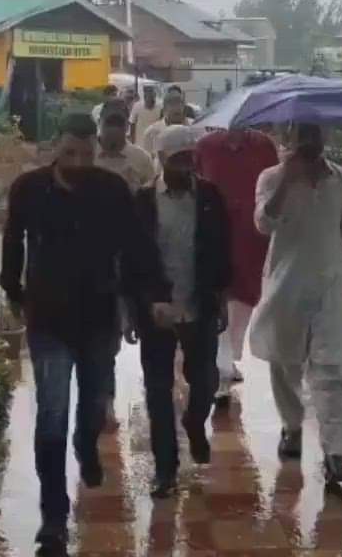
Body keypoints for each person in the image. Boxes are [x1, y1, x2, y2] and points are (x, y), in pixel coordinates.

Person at [0, 113, 173, 554]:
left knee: (95, 403)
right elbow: (13, 242)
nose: (77, 162)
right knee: (52, 412)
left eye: (86, 154)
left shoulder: (111, 190)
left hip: (98, 317)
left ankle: (87, 444)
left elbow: (136, 246)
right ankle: (54, 517)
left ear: (96, 151)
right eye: (69, 152)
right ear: (55, 147)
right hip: (49, 320)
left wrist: (153, 295)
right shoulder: (29, 190)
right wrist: (12, 288)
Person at [250, 122, 342, 486]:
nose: (309, 142)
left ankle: (337, 453)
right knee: (284, 361)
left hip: (331, 283)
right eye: (302, 135)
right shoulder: (271, 177)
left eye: (316, 134)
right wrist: (288, 180)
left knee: (333, 367)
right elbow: (263, 225)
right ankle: (292, 425)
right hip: (286, 283)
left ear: (325, 137)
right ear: (289, 138)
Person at [132, 124, 232, 498]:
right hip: (157, 309)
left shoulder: (209, 196)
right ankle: (165, 469)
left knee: (204, 379)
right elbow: (133, 259)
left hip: (200, 304)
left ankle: (194, 422)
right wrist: (139, 305)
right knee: (158, 389)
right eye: (178, 160)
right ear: (160, 159)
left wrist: (222, 298)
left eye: (191, 159)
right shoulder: (142, 201)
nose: (187, 166)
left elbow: (222, 250)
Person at [194, 123, 281, 404]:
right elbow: (195, 185)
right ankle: (220, 366)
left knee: (244, 296)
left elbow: (274, 186)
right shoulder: (206, 146)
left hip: (250, 235)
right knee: (218, 294)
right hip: (213, 232)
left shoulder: (264, 146)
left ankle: (229, 358)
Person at [92, 99, 155, 432]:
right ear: (100, 127)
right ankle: (102, 403)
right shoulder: (85, 157)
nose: (113, 134)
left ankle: (106, 402)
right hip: (89, 260)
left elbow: (152, 203)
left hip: (127, 260)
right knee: (98, 338)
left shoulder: (140, 160)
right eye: (108, 127)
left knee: (114, 337)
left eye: (119, 127)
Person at [94, 99, 154, 192]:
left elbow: (151, 195)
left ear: (127, 126)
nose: (114, 129)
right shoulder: (85, 154)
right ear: (99, 122)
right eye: (109, 123)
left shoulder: (142, 158)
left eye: (119, 123)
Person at [140, 92, 191, 158]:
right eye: (172, 104)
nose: (177, 107)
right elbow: (147, 160)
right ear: (164, 109)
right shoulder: (152, 132)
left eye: (180, 104)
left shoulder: (193, 127)